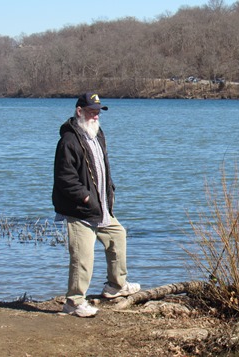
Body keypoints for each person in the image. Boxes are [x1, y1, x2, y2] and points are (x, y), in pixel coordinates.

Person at [53, 92, 140, 317]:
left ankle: (115, 286)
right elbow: (65, 179)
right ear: (79, 111)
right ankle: (73, 302)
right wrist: (85, 198)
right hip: (80, 210)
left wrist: (109, 191)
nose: (95, 116)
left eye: (98, 112)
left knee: (117, 236)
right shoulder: (68, 141)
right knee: (83, 257)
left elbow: (102, 168)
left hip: (101, 208)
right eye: (91, 112)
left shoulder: (97, 134)